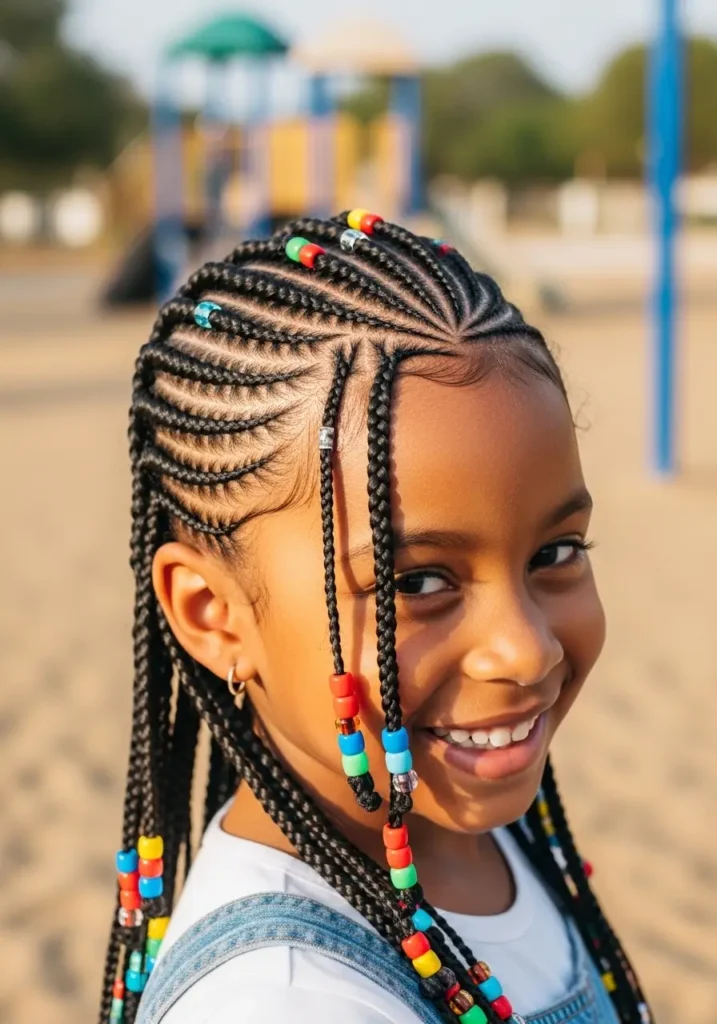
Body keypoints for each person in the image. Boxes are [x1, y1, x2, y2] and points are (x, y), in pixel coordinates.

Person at [99, 212, 652, 1024]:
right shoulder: (280, 1000)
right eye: (421, 580)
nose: (524, 652)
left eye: (555, 554)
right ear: (215, 615)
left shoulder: (473, 828)